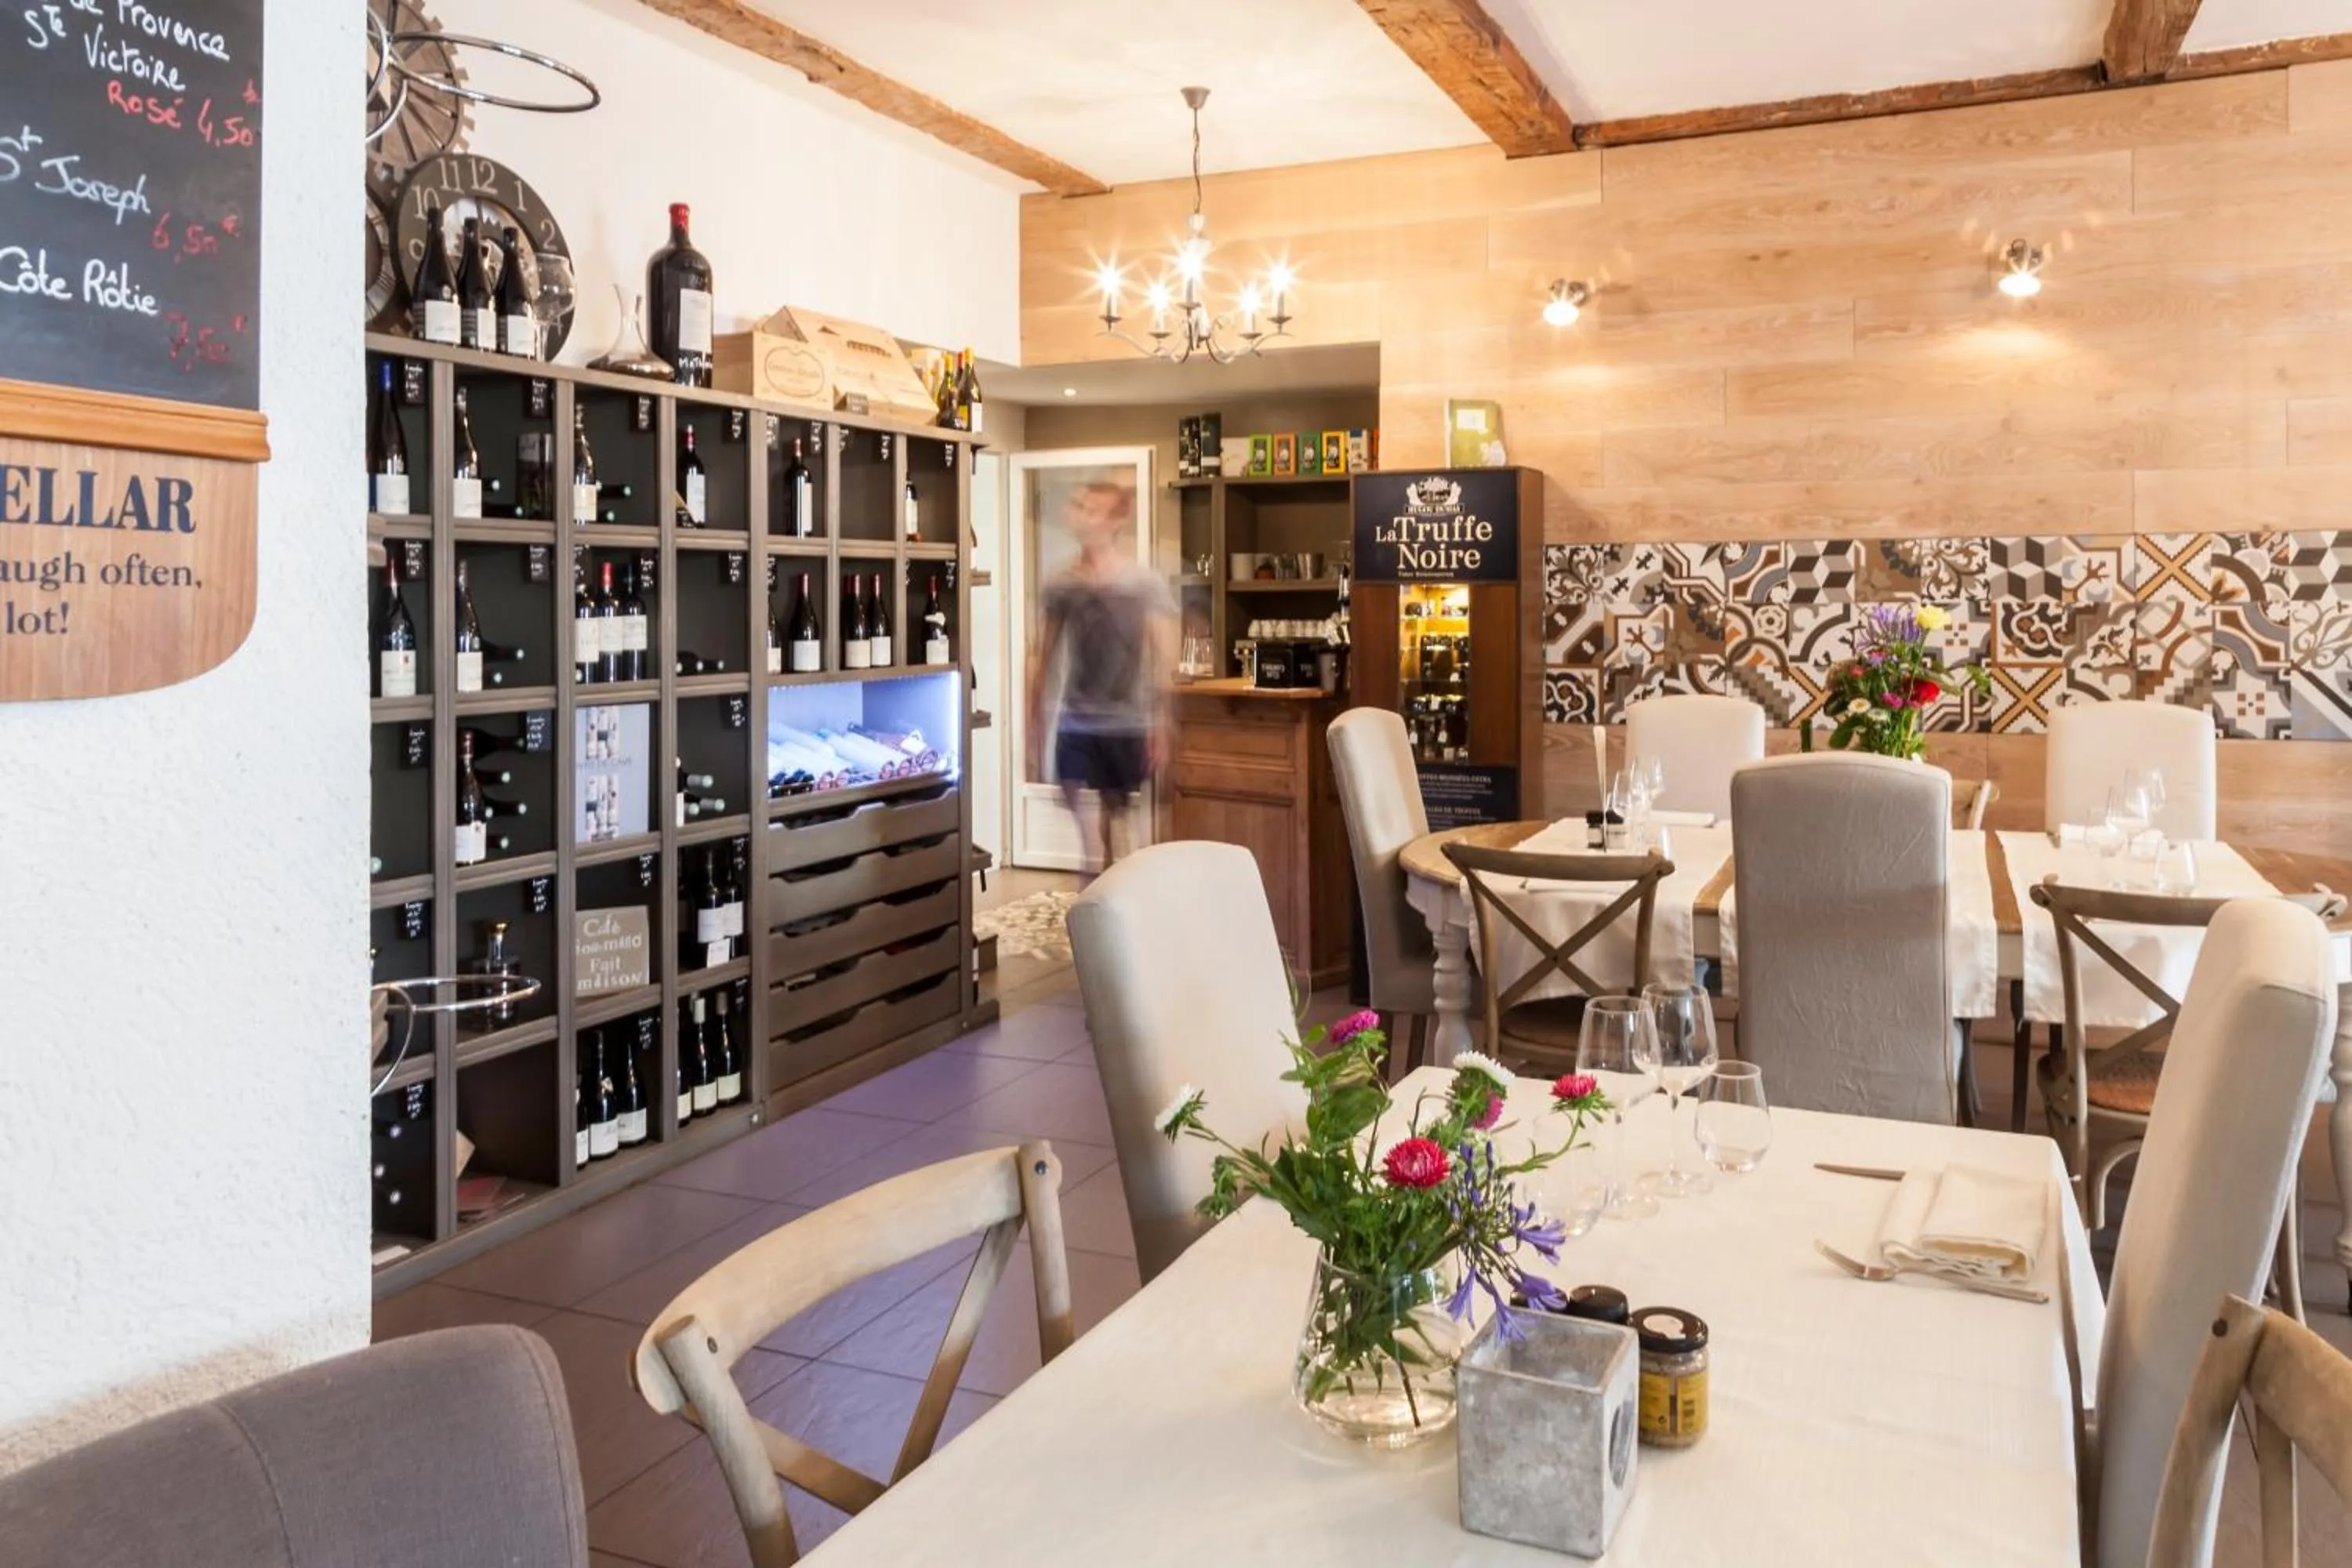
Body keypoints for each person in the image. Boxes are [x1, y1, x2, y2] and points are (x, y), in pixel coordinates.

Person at [1025, 480, 1178, 878]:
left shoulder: (1142, 584)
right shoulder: (1062, 584)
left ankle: (1117, 888)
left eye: (1093, 509)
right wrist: (1034, 724)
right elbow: (1042, 655)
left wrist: (1161, 724)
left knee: (1118, 827)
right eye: (1079, 507)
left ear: (1115, 520)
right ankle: (1095, 881)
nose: (1081, 515)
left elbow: (1163, 656)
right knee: (1088, 836)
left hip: (1127, 723)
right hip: (1076, 720)